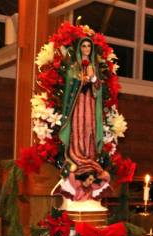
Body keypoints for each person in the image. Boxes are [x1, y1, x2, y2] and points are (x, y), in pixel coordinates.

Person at [59, 37, 108, 194]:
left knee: (89, 128)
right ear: (80, 48)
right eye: (84, 46)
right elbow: (70, 85)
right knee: (78, 128)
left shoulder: (94, 66)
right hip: (78, 102)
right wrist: (81, 80)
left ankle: (88, 156)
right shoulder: (75, 66)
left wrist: (94, 79)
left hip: (90, 103)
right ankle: (78, 156)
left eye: (88, 46)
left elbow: (99, 88)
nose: (86, 49)